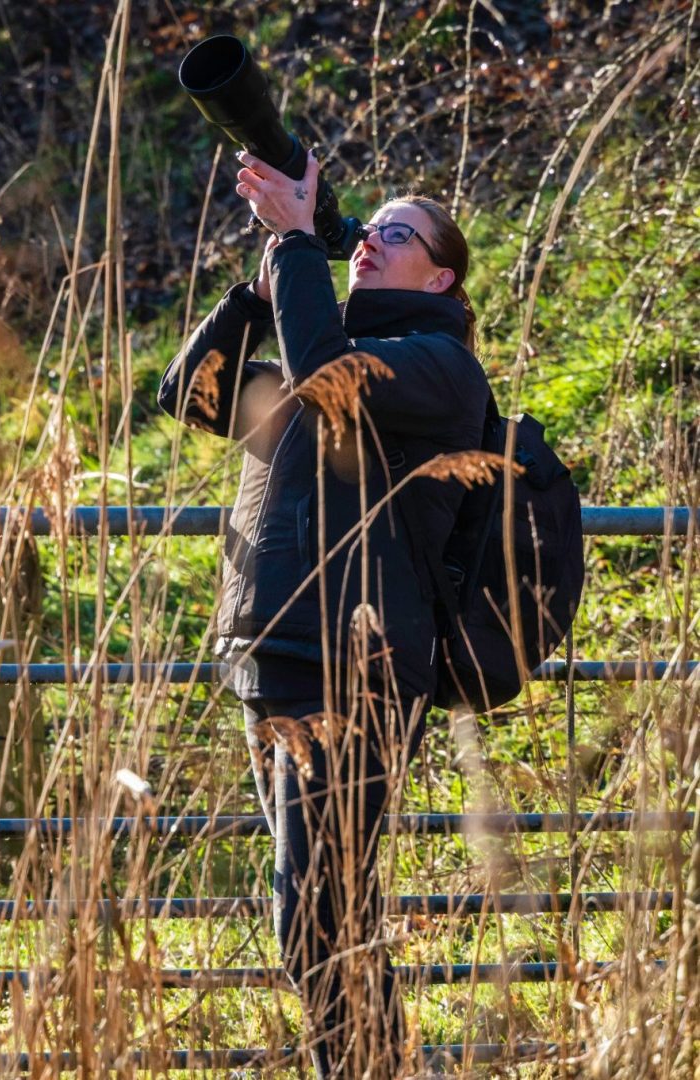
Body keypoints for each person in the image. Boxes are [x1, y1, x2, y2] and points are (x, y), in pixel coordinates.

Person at [158, 150, 490, 1078]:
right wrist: (264, 285)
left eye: (396, 233)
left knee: (312, 910)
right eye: (367, 231)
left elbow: (326, 374)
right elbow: (190, 395)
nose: (371, 243)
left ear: (440, 275)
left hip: (356, 661)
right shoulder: (324, 345)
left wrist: (300, 242)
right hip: (275, 657)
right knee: (322, 911)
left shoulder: (438, 367)